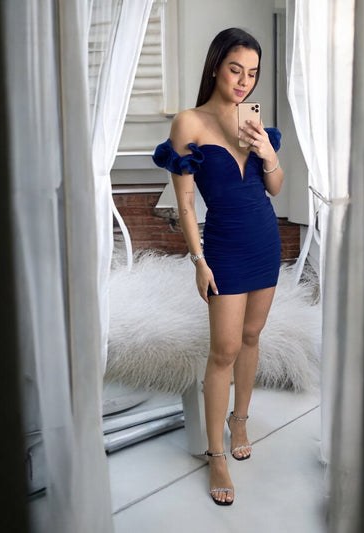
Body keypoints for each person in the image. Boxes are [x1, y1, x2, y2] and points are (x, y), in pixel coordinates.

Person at [152, 27, 283, 506]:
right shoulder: (189, 123)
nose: (244, 81)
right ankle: (216, 454)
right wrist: (198, 260)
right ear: (215, 68)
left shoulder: (254, 123)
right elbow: (187, 205)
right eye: (235, 70)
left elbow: (275, 188)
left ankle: (239, 420)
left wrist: (267, 151)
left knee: (252, 336)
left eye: (252, 73)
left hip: (265, 242)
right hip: (225, 247)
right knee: (223, 349)